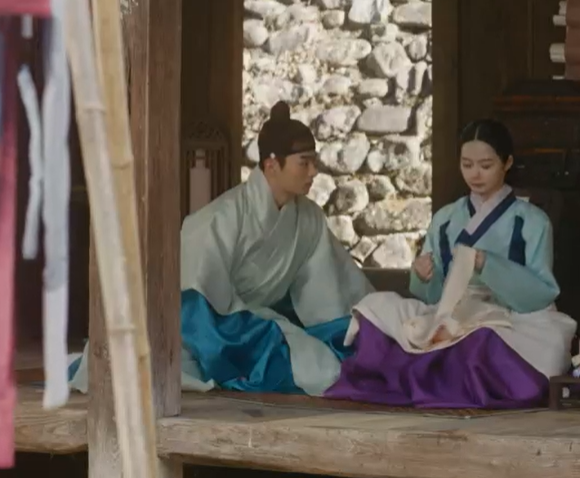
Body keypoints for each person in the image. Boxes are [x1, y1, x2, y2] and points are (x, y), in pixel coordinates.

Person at [70, 101, 374, 396]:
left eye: (314, 162)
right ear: (271, 165)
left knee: (324, 363)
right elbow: (194, 295)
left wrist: (370, 320)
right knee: (154, 369)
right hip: (204, 328)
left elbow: (328, 289)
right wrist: (246, 335)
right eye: (304, 163)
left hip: (256, 323)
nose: (313, 172)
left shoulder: (308, 218)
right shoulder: (221, 217)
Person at [324, 119, 576, 409]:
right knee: (375, 306)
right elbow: (432, 297)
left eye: (486, 165)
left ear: (507, 163)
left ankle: (438, 379)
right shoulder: (445, 219)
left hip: (509, 316)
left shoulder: (532, 221)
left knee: (486, 339)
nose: (475, 174)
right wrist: (423, 275)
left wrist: (489, 265)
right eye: (467, 165)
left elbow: (541, 294)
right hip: (450, 310)